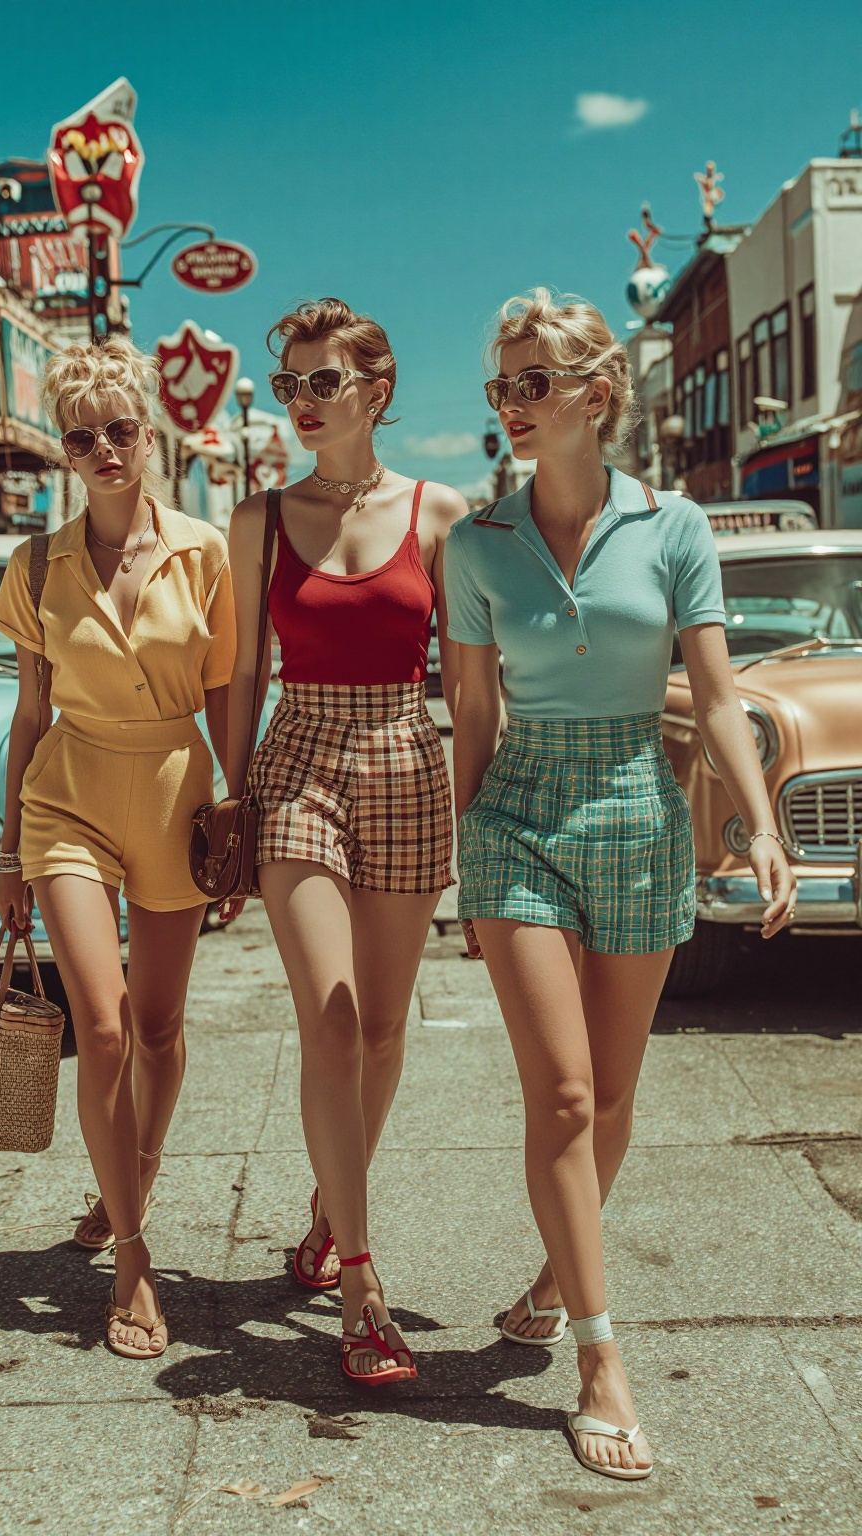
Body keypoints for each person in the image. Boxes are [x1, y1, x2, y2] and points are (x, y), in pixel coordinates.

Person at [445, 289, 795, 1476]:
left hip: (641, 811)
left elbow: (721, 695)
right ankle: (601, 1362)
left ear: (597, 394)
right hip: (518, 819)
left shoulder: (674, 527)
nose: (511, 404)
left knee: (612, 1094)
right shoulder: (475, 545)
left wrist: (759, 825)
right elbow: (473, 716)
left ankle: (555, 1277)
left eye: (533, 382)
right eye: (501, 385)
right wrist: (468, 866)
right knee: (561, 1097)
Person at [222, 298, 466, 1383]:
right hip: (299, 762)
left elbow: (470, 681)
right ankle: (361, 1287)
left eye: (324, 381)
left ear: (378, 388)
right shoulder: (259, 519)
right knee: (333, 1018)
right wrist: (234, 800)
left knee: (384, 1028)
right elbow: (244, 673)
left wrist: (481, 800)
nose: (304, 402)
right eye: (291, 385)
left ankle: (331, 1206)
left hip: (407, 756)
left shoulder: (440, 512)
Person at [0, 338, 235, 1360]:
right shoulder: (34, 565)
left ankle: (131, 1171)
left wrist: (237, 815)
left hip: (175, 792)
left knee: (160, 1026)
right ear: (64, 450)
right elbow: (27, 716)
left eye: (119, 430)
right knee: (102, 1026)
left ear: (149, 435)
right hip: (71, 800)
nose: (103, 450)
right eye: (80, 437)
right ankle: (133, 1260)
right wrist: (10, 853)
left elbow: (225, 696)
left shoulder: (204, 552)